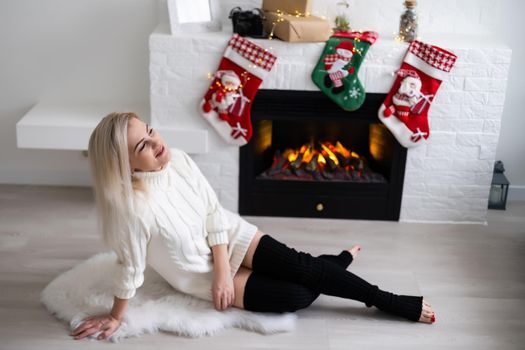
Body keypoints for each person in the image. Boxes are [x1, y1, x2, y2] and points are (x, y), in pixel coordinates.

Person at [71, 112, 436, 341]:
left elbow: (212, 210)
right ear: (125, 165)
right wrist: (116, 315)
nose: (158, 143)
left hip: (229, 236)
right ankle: (335, 262)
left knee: (305, 268)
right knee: (296, 296)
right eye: (143, 146)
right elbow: (130, 267)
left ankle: (389, 300)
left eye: (151, 131)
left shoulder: (178, 160)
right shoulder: (133, 209)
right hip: (198, 272)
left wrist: (224, 272)